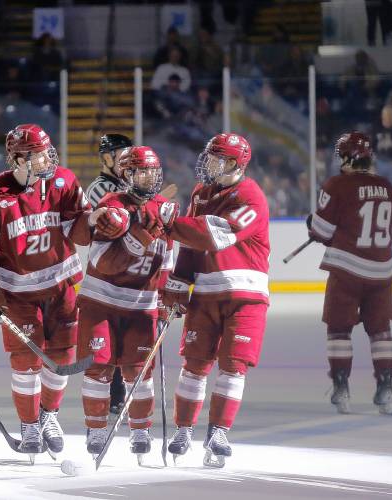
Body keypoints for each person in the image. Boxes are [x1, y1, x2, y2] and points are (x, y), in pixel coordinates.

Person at [0, 123, 93, 462]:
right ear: (18, 159)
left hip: (60, 287)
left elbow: (80, 229)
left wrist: (97, 222)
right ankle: (29, 424)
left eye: (45, 152)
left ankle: (48, 415)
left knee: (63, 357)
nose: (45, 159)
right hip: (18, 293)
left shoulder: (64, 180)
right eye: (36, 155)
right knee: (26, 362)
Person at [161, 133, 270, 468]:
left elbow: (212, 234)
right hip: (206, 294)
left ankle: (219, 431)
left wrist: (167, 223)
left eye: (217, 159)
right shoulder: (200, 193)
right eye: (208, 156)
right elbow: (192, 247)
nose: (208, 164)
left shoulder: (250, 194)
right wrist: (178, 284)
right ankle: (183, 430)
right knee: (194, 365)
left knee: (233, 366)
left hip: (246, 297)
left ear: (236, 164)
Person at [76, 145, 177, 463]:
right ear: (126, 174)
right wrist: (137, 240)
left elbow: (168, 259)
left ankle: (140, 431)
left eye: (151, 170)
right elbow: (102, 260)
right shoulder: (112, 205)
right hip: (101, 301)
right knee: (98, 368)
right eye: (139, 170)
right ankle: (96, 429)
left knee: (139, 373)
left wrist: (167, 297)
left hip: (141, 306)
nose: (147, 176)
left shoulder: (164, 208)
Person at [307, 131, 392, 416]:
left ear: (348, 157)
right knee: (381, 332)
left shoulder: (336, 185)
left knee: (338, 330)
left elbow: (321, 232)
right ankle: (386, 390)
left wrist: (313, 223)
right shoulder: (386, 186)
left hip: (346, 271)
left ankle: (341, 388)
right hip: (382, 273)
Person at [85, 133, 133, 415]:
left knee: (130, 335)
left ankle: (126, 390)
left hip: (131, 272)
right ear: (106, 158)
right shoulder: (98, 188)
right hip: (107, 274)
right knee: (109, 336)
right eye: (120, 155)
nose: (126, 161)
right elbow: (117, 221)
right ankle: (114, 393)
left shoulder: (129, 186)